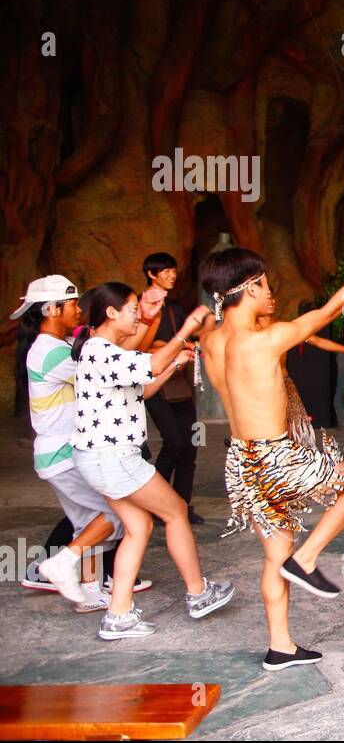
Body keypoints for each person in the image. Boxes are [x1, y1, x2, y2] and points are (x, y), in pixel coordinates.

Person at [198, 241, 344, 670]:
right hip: (277, 457)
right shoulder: (268, 340)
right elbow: (334, 307)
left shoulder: (210, 341)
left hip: (242, 463)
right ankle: (308, 558)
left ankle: (280, 646)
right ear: (248, 288)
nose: (269, 290)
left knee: (274, 557)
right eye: (263, 284)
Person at [71, 283, 233, 639]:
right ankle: (198, 593)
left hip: (101, 458)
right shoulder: (100, 350)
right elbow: (152, 360)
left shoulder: (103, 350)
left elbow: (142, 390)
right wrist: (187, 328)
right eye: (131, 310)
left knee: (138, 527)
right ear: (111, 313)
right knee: (175, 511)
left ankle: (118, 615)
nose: (136, 317)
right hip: (113, 458)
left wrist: (172, 363)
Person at [11, 276, 139, 612]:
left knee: (89, 523)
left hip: (58, 454)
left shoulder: (58, 345)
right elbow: (106, 370)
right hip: (63, 454)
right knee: (113, 515)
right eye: (71, 305)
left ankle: (90, 591)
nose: (78, 311)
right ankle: (60, 562)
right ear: (51, 309)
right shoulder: (51, 352)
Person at [141, 252, 204, 526]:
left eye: (173, 270)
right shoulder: (143, 307)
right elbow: (144, 345)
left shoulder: (176, 307)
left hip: (179, 382)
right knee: (174, 442)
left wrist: (186, 344)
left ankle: (182, 504)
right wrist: (179, 346)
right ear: (151, 274)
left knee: (190, 445)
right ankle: (155, 503)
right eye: (165, 270)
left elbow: (182, 339)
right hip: (154, 383)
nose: (171, 274)